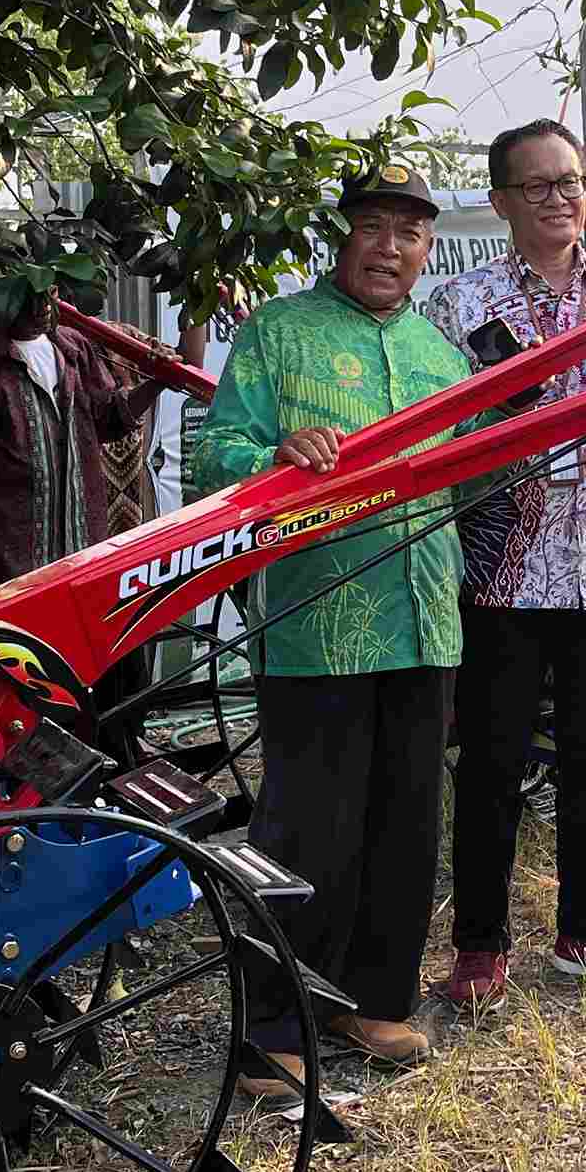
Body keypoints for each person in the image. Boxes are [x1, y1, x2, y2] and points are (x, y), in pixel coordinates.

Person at [186, 162, 470, 1096]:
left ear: (429, 248)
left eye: (411, 232)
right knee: (308, 827)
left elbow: (470, 476)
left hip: (426, 619)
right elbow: (214, 454)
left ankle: (372, 997)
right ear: (341, 236)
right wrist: (275, 454)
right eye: (375, 227)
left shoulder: (440, 353)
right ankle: (272, 1024)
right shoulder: (277, 334)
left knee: (406, 818)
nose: (391, 247)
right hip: (316, 626)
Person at [419, 120, 586, 1009]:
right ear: (499, 201)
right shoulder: (458, 306)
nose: (558, 199)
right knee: (493, 762)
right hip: (502, 568)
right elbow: (436, 435)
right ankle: (479, 944)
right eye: (535, 186)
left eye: (569, 181)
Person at [0, 289, 156, 594]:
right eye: (29, 296)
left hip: (84, 550)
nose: (43, 307)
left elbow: (109, 420)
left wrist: (159, 382)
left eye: (50, 293)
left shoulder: (74, 349)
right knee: (19, 640)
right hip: (9, 560)